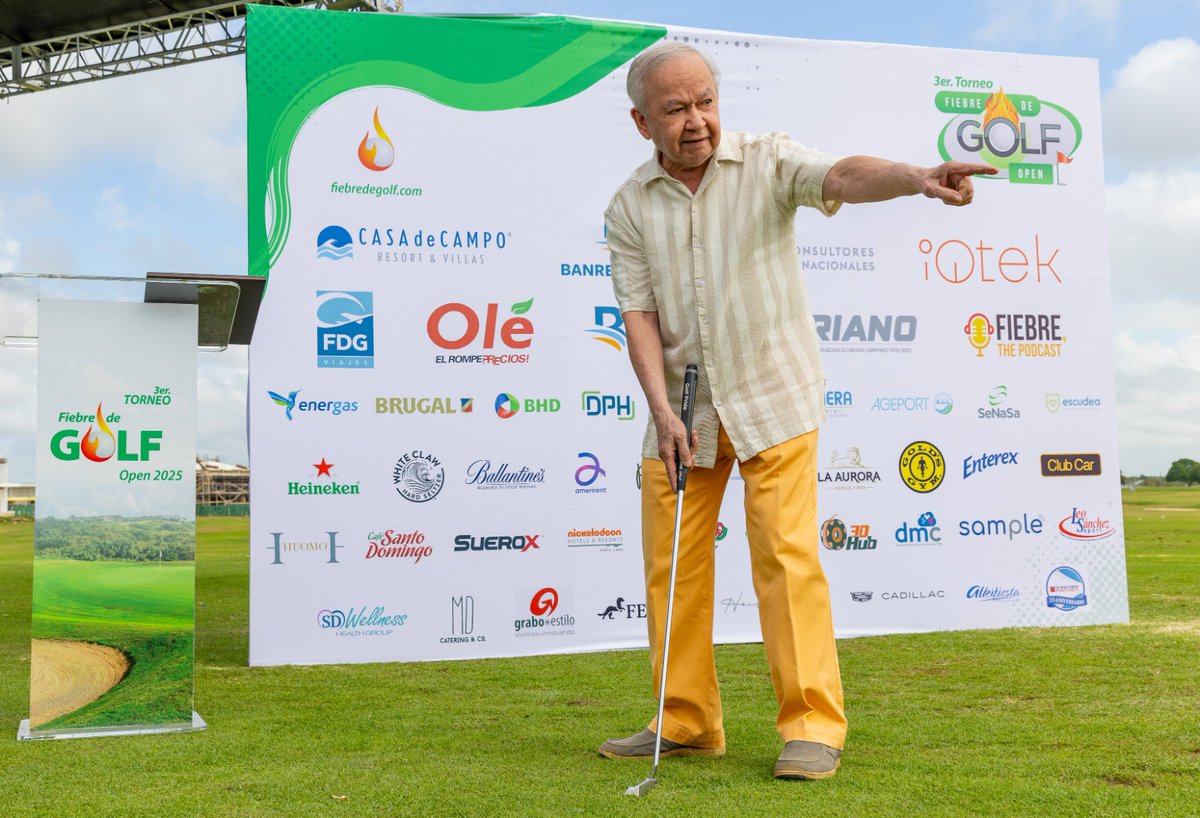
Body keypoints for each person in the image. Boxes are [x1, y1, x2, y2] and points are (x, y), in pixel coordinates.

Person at [596, 41, 994, 780]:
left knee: (785, 557)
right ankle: (684, 720)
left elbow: (839, 175)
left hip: (774, 398)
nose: (697, 121)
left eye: (705, 102)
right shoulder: (628, 206)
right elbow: (639, 315)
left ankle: (813, 725)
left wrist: (914, 177)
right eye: (676, 109)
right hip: (682, 413)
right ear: (641, 120)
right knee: (670, 567)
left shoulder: (769, 160)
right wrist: (662, 410)